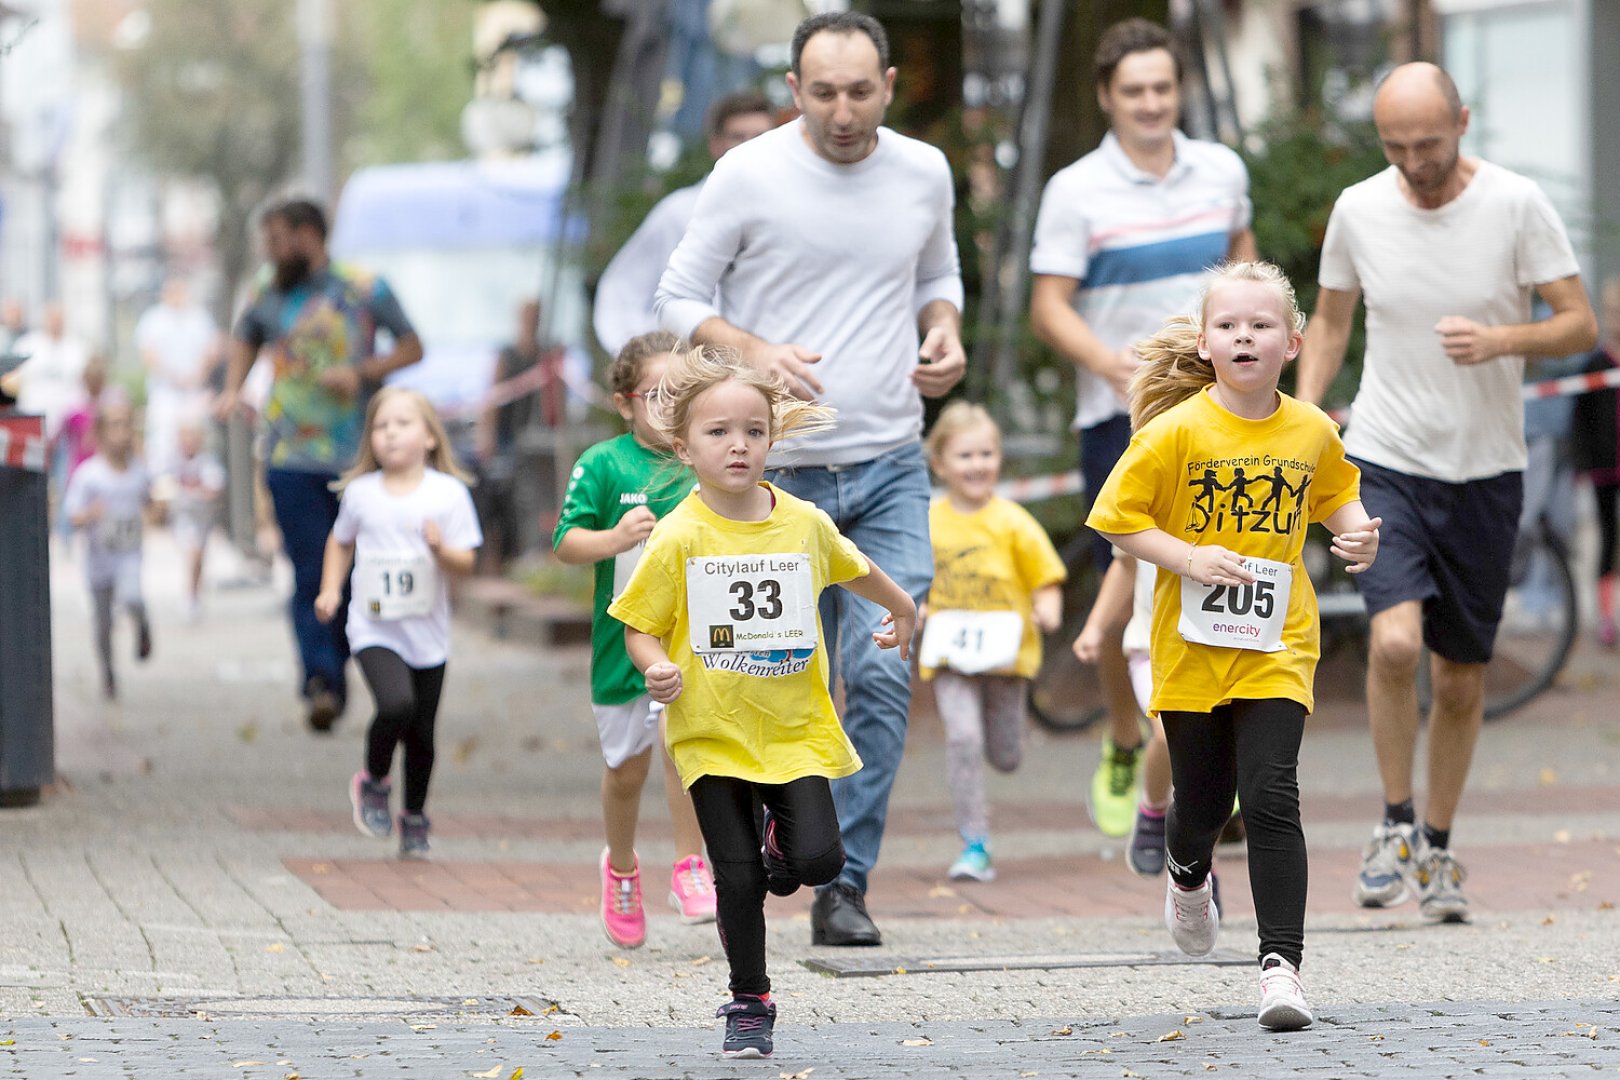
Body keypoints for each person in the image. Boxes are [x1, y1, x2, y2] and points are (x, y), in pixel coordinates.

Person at [656, 10, 964, 948]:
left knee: (878, 667)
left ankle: (845, 884)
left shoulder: (923, 171)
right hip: (773, 488)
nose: (842, 110)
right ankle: (779, 836)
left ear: (891, 84)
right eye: (822, 92)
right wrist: (751, 351)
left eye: (860, 91)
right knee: (771, 677)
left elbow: (937, 272)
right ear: (794, 89)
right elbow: (678, 298)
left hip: (890, 466)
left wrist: (945, 330)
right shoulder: (747, 173)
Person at [1295, 63, 1597, 923]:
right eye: (1395, 147)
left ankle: (1437, 843)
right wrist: (1306, 416)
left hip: (1487, 470)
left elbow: (1578, 321)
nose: (1414, 164)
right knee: (1393, 646)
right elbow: (1330, 320)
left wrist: (1501, 337)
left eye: (1428, 143)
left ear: (1463, 121)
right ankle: (1391, 822)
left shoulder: (1514, 204)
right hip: (1385, 457)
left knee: (1460, 679)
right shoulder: (1360, 208)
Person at [1088, 260, 1380, 1031]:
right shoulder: (1175, 432)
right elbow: (1117, 516)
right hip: (1191, 645)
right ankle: (1188, 873)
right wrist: (1187, 558)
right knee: (1205, 804)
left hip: (1278, 641)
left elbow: (1336, 494)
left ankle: (1280, 971)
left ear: (1292, 342)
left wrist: (1356, 535)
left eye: (1260, 325)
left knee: (1273, 793)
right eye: (1228, 325)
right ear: (1207, 343)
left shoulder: (1311, 428)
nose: (1244, 336)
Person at [609, 347, 917, 1059]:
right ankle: (750, 1000)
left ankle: (782, 843)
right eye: (719, 433)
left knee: (817, 862)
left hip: (794, 728)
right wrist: (655, 668)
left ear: (772, 439)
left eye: (752, 430)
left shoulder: (802, 521)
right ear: (684, 447)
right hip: (712, 732)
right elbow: (639, 627)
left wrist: (902, 607)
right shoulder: (680, 534)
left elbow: (855, 565)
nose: (738, 444)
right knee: (737, 880)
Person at [1028, 17, 1256, 842]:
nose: (1151, 104)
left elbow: (1244, 269)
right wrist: (1118, 368)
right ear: (1106, 98)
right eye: (1134, 91)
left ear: (1179, 89)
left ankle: (1203, 757)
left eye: (1163, 87)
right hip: (1120, 420)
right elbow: (1047, 305)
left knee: (1225, 573)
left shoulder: (1221, 170)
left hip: (1225, 419)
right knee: (1132, 583)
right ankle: (1129, 742)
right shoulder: (1075, 190)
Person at [219, 198, 424, 733]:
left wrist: (363, 371)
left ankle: (348, 665)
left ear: (309, 235)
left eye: (278, 238)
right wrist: (231, 389)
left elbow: (412, 345)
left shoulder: (363, 287)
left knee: (356, 569)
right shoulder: (268, 290)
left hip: (357, 456)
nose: (271, 250)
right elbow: (246, 336)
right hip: (289, 457)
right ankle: (321, 680)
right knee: (310, 567)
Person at [552, 330, 717, 948]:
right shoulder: (602, 463)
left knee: (685, 752)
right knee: (627, 769)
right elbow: (566, 544)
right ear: (624, 402)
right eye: (656, 393)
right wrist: (617, 538)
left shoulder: (702, 457)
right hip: (621, 646)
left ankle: (689, 863)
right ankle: (621, 867)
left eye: (683, 392)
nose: (671, 404)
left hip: (698, 642)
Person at [316, 387, 482, 860]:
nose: (390, 433)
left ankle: (414, 815)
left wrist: (439, 548)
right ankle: (372, 779)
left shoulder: (447, 494)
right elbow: (340, 541)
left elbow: (466, 562)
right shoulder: (361, 494)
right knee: (396, 705)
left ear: (430, 437)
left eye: (402, 424)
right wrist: (331, 589)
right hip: (373, 628)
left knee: (423, 733)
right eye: (381, 425)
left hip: (427, 634)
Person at [919, 401, 1064, 882]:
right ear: (939, 463)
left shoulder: (1013, 521)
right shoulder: (928, 520)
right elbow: (911, 578)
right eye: (965, 456)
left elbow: (1045, 576)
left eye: (987, 454)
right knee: (963, 738)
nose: (978, 465)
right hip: (949, 652)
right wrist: (913, 608)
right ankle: (974, 843)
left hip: (1005, 654)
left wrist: (1048, 606)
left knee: (1005, 756)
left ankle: (1002, 744)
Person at [592, 91, 776, 358]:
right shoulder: (679, 212)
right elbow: (620, 294)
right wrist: (646, 364)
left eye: (760, 137)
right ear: (716, 144)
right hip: (693, 376)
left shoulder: (794, 212)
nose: (749, 146)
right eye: (738, 136)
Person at [62, 400, 154, 701]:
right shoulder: (89, 474)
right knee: (102, 624)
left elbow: (150, 501)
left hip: (129, 555)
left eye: (127, 424)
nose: (122, 432)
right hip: (99, 560)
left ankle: (142, 626)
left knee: (132, 597)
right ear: (100, 432)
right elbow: (71, 515)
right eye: (115, 425)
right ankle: (108, 672)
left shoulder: (139, 472)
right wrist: (90, 514)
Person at [1572, 278, 1620, 646]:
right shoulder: (1595, 364)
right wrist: (1582, 464)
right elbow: (1581, 420)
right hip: (1606, 468)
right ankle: (1606, 616)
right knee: (1608, 539)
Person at [137, 278, 222, 479]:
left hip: (194, 391)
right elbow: (148, 353)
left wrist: (197, 376)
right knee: (163, 445)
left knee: (202, 441)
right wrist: (173, 376)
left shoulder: (199, 317)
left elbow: (212, 350)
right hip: (165, 392)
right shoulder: (153, 319)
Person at [165, 417, 226, 622]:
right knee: (192, 555)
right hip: (182, 519)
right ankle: (189, 596)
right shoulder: (172, 461)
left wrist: (196, 491)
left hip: (202, 519)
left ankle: (195, 593)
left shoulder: (208, 462)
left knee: (198, 558)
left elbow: (214, 488)